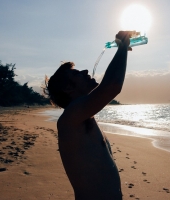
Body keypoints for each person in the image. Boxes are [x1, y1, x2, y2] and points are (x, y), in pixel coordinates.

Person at [45, 31, 134, 200]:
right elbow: (112, 86)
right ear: (68, 89)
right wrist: (121, 47)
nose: (85, 70)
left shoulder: (84, 117)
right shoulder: (70, 118)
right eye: (76, 73)